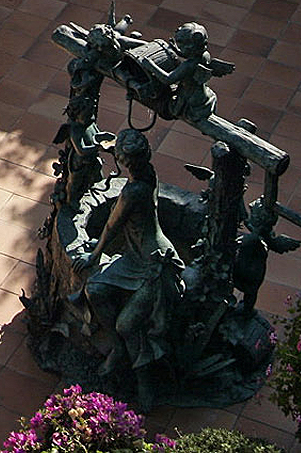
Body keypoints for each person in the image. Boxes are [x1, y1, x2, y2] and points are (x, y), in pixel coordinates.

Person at [85, 128, 180, 405]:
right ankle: (118, 349)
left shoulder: (134, 190)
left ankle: (145, 383)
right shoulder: (148, 173)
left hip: (154, 265)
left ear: (123, 160)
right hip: (134, 257)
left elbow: (112, 225)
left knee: (127, 325)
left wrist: (94, 256)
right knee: (95, 288)